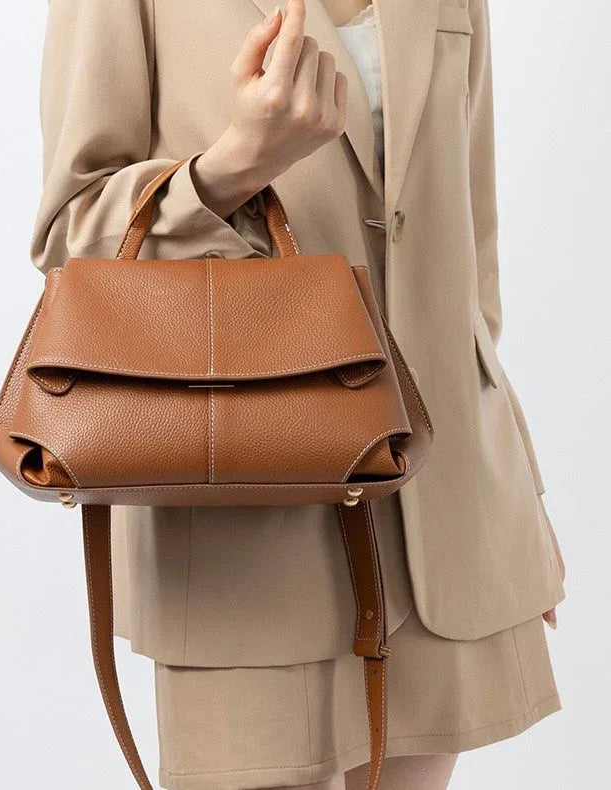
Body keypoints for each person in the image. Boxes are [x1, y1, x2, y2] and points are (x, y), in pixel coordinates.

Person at [30, 1, 567, 788]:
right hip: (246, 512)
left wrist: (517, 482)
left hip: (448, 505)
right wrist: (235, 164)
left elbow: (472, 259)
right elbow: (70, 238)